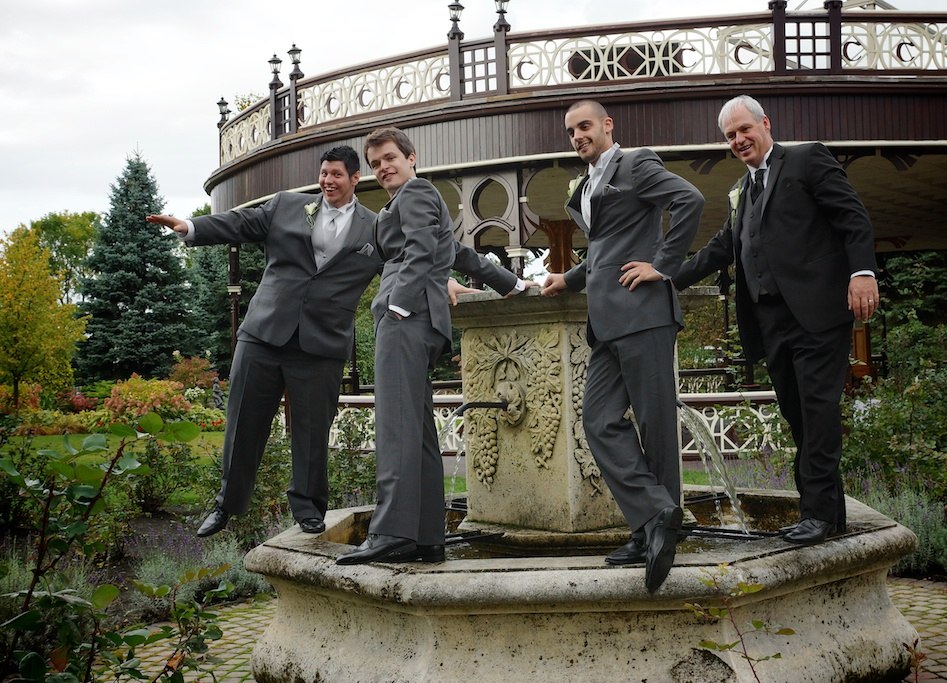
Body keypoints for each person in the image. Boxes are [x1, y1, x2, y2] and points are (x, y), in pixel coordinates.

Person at [147, 146, 475, 538]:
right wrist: (192, 227)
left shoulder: (374, 226)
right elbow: (241, 223)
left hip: (323, 344)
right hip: (264, 334)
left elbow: (413, 256)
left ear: (355, 179)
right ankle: (227, 504)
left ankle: (308, 508)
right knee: (243, 422)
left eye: (337, 174)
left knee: (313, 431)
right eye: (323, 174)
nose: (327, 181)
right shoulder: (286, 205)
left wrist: (445, 280)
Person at [673, 95, 878, 545]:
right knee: (798, 416)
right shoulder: (743, 190)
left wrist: (862, 273)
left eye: (745, 129)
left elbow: (852, 216)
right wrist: (664, 277)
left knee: (817, 413)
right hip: (772, 322)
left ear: (765, 123)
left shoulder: (807, 159)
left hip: (817, 315)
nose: (739, 140)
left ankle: (817, 515)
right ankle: (826, 515)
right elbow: (720, 249)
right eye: (730, 136)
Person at [335, 127, 530, 565]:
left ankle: (390, 533)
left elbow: (424, 249)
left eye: (390, 158)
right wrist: (513, 283)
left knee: (395, 428)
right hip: (420, 320)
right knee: (417, 432)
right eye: (376, 163)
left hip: (405, 321)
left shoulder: (417, 192)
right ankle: (426, 538)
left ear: (412, 158)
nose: (384, 167)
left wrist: (398, 307)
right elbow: (458, 253)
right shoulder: (404, 203)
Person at [540, 100, 705, 593]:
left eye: (585, 126)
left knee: (655, 427)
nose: (577, 136)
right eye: (571, 131)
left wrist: (664, 263)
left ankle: (655, 537)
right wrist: (565, 280)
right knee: (598, 420)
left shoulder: (636, 163)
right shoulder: (589, 184)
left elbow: (690, 200)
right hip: (607, 320)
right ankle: (654, 515)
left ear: (607, 126)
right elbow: (605, 249)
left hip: (645, 314)